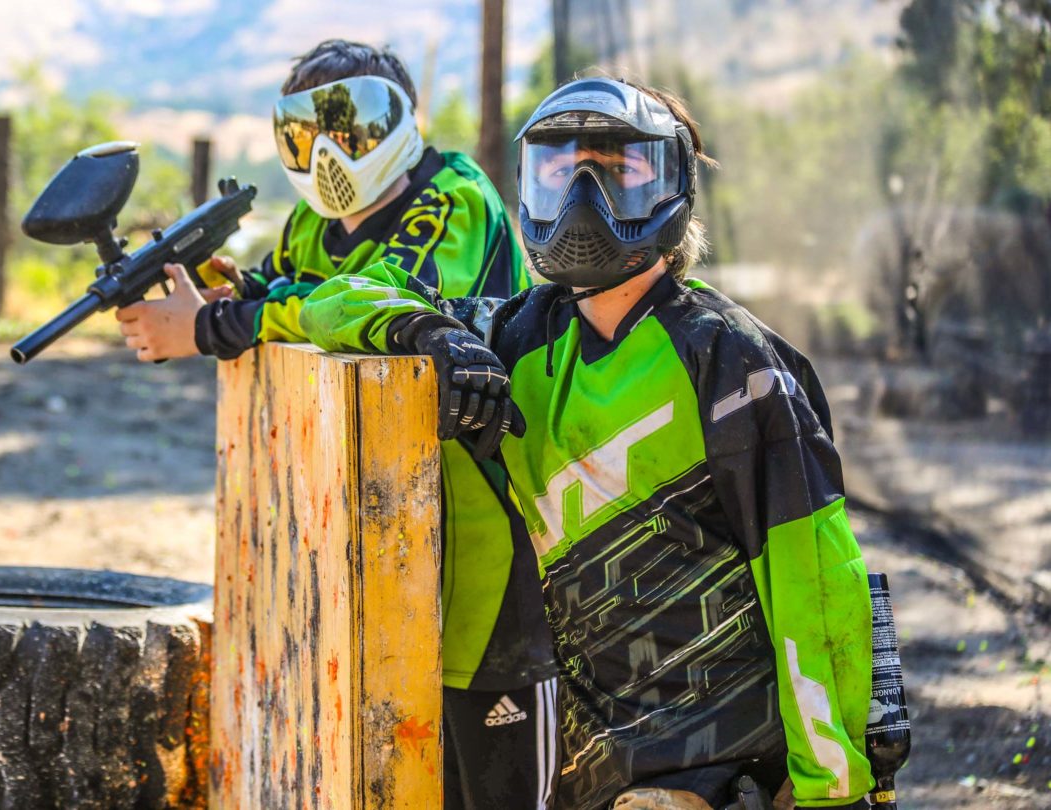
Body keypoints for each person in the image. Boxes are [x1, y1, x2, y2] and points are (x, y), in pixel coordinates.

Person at [299, 77, 876, 810]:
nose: (583, 200)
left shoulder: (731, 361)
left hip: (723, 765)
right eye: (560, 172)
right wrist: (429, 334)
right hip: (589, 766)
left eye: (620, 171)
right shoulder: (514, 338)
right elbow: (334, 299)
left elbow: (816, 586)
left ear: (673, 187)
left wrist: (831, 787)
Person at [115, 40, 561, 809]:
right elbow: (296, 294)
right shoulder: (310, 225)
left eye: (348, 130)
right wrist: (231, 299)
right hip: (371, 547)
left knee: (497, 784)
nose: (328, 154)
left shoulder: (453, 197)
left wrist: (216, 327)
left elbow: (380, 301)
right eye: (306, 136)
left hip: (489, 537)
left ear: (403, 119)